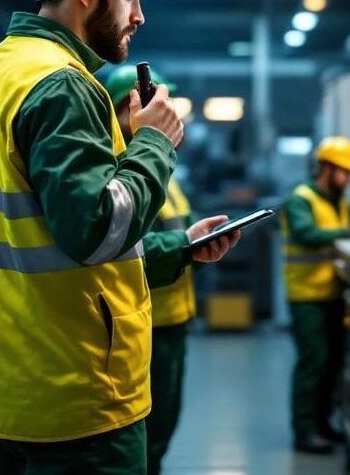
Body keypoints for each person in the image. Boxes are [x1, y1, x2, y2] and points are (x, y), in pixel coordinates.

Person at [0, 0, 239, 475]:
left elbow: (21, 236)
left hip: (11, 395)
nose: (140, 16)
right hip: (80, 400)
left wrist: (176, 247)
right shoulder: (64, 87)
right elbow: (96, 229)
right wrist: (154, 145)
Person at [105, 66, 205, 475]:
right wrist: (183, 247)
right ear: (122, 109)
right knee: (141, 436)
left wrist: (198, 237)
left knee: (163, 425)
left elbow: (173, 224)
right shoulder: (116, 174)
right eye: (151, 102)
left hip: (175, 315)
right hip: (140, 322)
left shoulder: (161, 165)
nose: (165, 111)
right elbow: (114, 248)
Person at [280, 136, 350, 454]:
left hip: (333, 293)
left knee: (333, 363)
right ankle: (304, 431)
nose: (349, 178)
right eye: (345, 172)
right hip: (307, 295)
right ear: (327, 168)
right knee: (313, 362)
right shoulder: (302, 199)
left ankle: (324, 424)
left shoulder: (337, 200)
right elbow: (307, 235)